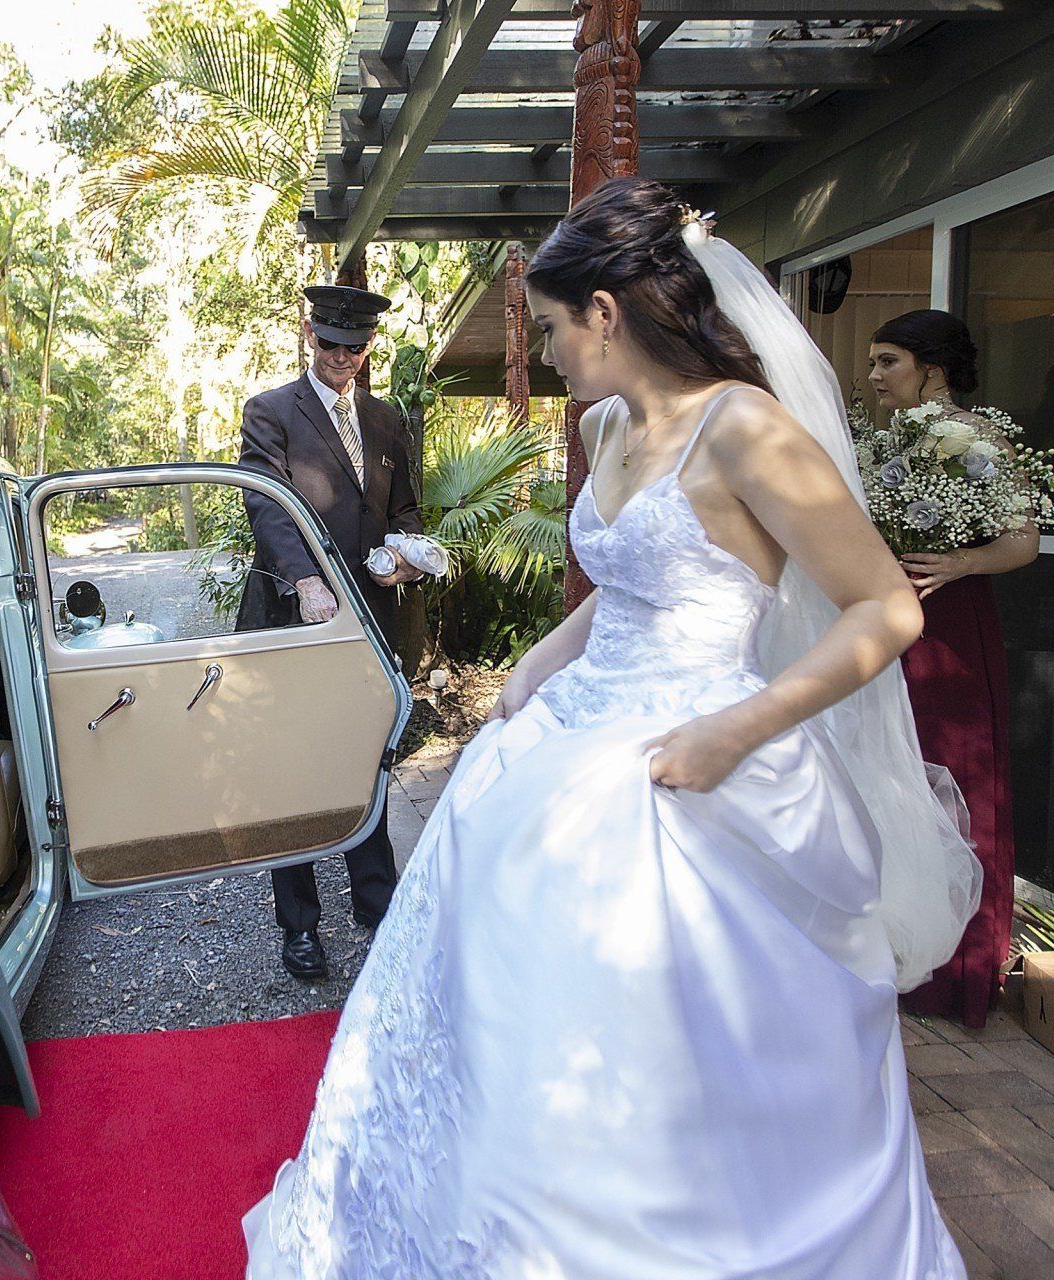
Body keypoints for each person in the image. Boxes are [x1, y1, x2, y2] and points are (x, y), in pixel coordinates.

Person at [242, 178, 978, 1278]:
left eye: (550, 327)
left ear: (605, 311)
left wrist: (739, 729)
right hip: (581, 722)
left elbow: (885, 608)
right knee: (495, 968)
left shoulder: (747, 428)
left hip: (702, 741)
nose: (544, 353)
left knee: (647, 1020)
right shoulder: (606, 423)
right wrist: (541, 659)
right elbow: (632, 578)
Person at [235, 283, 425, 981]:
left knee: (364, 755)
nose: (342, 358)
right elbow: (267, 503)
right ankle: (300, 926)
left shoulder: (386, 419)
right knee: (292, 768)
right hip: (296, 615)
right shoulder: (270, 412)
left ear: (369, 347)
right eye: (331, 344)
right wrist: (306, 581)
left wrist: (406, 556)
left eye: (355, 348)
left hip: (369, 621)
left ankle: (377, 904)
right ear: (310, 335)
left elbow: (404, 509)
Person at [869, 310, 1037, 1028]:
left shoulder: (978, 438)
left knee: (955, 776)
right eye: (874, 363)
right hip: (887, 619)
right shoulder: (887, 443)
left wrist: (960, 561)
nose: (875, 377)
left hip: (952, 625)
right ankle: (898, 951)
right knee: (893, 776)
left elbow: (1024, 541)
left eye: (888, 362)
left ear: (932, 369)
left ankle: (959, 970)